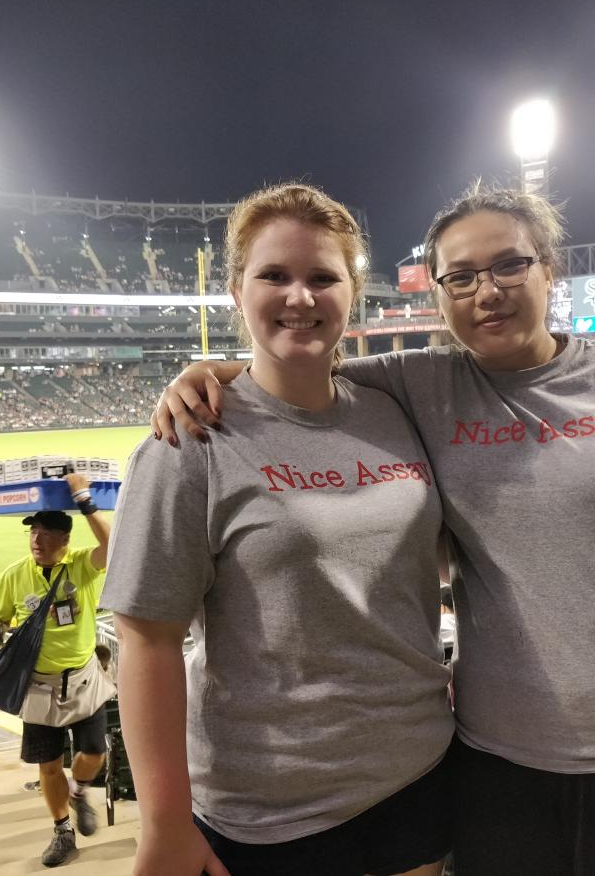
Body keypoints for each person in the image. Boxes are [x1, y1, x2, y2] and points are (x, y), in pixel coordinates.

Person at [151, 183, 595, 875]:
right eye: (462, 277)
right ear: (441, 294)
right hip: (501, 762)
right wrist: (210, 372)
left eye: (510, 265)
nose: (488, 291)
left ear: (549, 270)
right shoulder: (417, 384)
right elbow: (296, 362)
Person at [102, 184, 453, 876]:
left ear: (354, 293)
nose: (300, 296)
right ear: (237, 291)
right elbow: (147, 638)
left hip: (420, 772)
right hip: (268, 811)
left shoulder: (395, 408)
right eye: (274, 276)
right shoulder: (189, 441)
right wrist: (165, 824)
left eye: (323, 277)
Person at [0, 473, 112, 868]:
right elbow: (0, 622)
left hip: (84, 676)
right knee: (48, 764)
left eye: (47, 533)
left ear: (65, 540)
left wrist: (84, 499)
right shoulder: (14, 574)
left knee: (93, 752)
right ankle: (61, 831)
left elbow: (114, 545)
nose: (37, 539)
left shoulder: (81, 567)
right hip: (37, 684)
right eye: (33, 531)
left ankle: (81, 790)